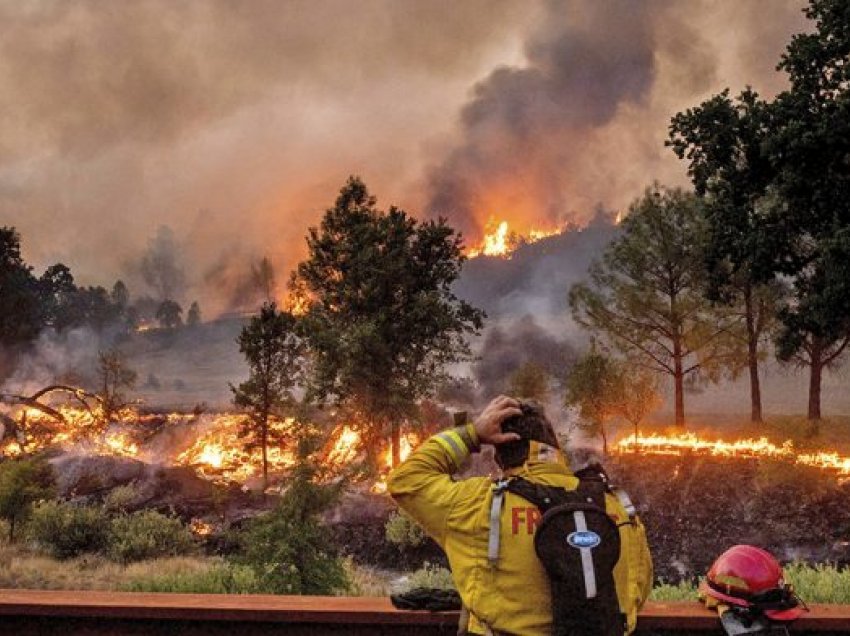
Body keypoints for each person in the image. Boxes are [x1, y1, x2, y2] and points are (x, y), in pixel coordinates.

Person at [388, 395, 652, 635]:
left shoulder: (477, 504)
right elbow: (637, 591)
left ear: (500, 456)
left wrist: (472, 434)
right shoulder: (616, 505)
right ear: (556, 449)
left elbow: (406, 480)